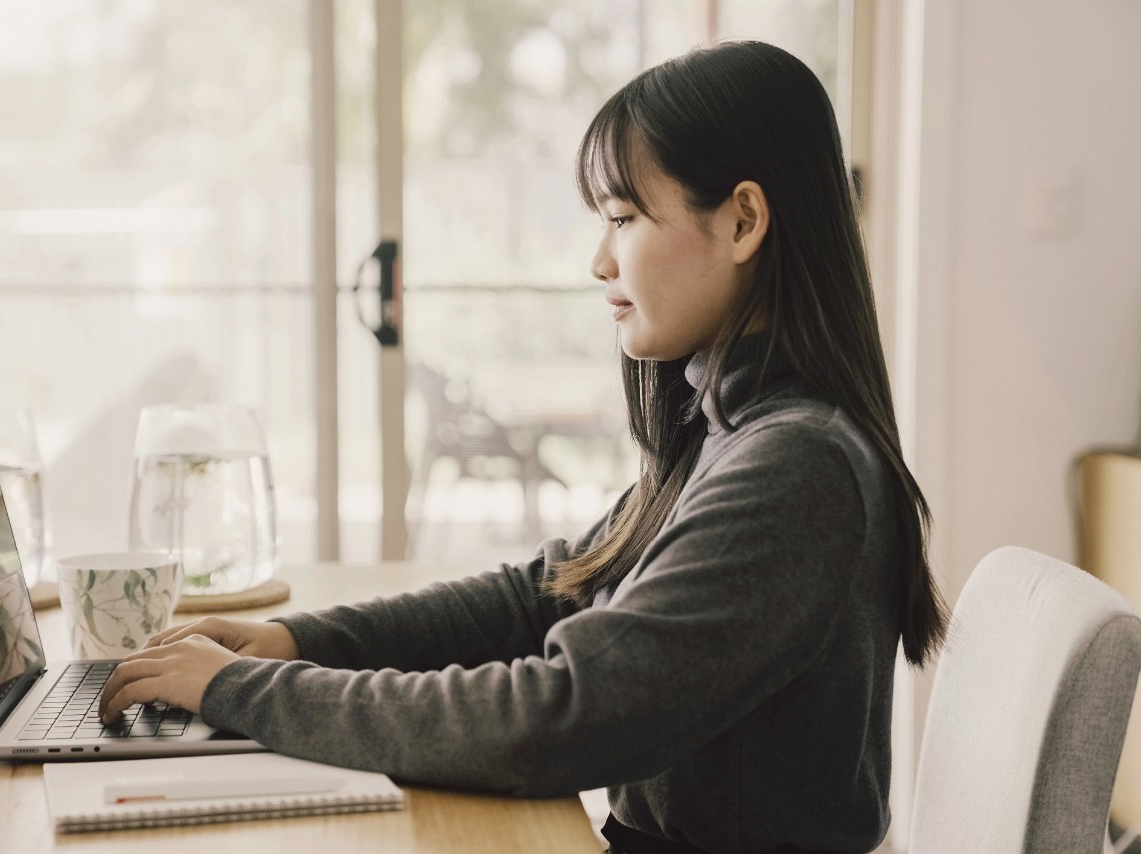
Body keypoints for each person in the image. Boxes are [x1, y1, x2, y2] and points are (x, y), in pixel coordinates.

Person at [99, 40, 947, 854]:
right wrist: (298, 642)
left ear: (743, 220)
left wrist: (237, 690)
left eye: (622, 217)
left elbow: (560, 717)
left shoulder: (796, 468)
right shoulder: (730, 428)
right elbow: (547, 595)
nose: (598, 260)